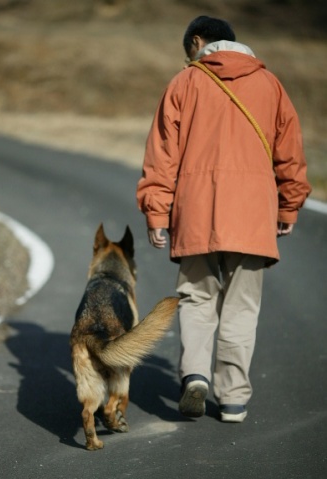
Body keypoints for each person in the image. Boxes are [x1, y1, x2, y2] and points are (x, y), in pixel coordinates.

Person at [136, 15, 312, 423]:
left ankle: (195, 375)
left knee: (196, 297)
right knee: (242, 304)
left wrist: (156, 213)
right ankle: (232, 398)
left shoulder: (184, 83)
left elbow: (162, 155)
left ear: (197, 41)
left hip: (196, 206)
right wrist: (289, 205)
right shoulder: (271, 85)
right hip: (253, 210)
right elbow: (290, 153)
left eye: (189, 52)